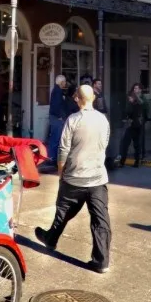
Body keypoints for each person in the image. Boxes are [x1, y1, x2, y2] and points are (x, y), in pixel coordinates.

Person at [35, 84, 112, 274]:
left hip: (75, 177)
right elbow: (105, 143)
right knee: (100, 220)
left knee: (63, 211)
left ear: (77, 99)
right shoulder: (103, 120)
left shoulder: (73, 120)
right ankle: (101, 261)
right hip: (97, 179)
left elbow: (63, 149)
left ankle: (51, 239)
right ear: (93, 98)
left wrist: (61, 172)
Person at [118, 83, 145, 168]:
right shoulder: (132, 99)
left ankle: (136, 161)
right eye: (134, 88)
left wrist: (132, 102)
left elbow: (141, 105)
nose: (135, 90)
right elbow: (128, 111)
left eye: (137, 88)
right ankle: (123, 161)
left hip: (137, 124)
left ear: (140, 90)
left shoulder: (141, 99)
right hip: (132, 124)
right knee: (126, 143)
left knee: (136, 144)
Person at [44, 75, 68, 169]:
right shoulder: (58, 91)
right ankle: (52, 158)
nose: (65, 83)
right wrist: (60, 117)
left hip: (54, 117)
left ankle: (52, 157)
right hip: (56, 118)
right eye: (64, 81)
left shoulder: (57, 90)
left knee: (55, 137)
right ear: (61, 82)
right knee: (56, 137)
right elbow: (56, 105)